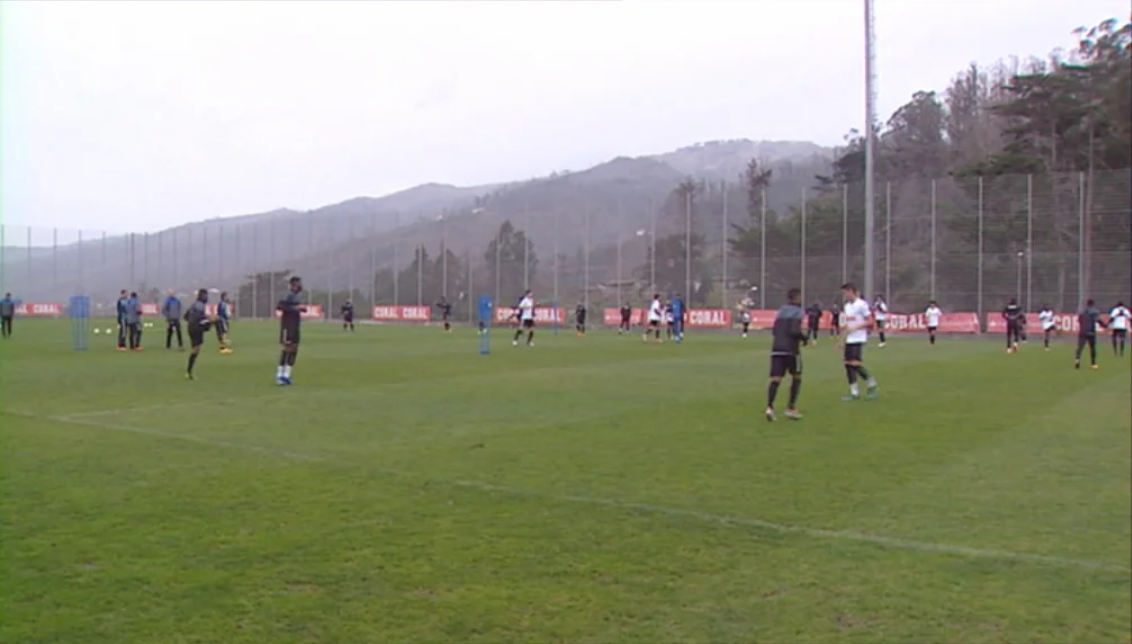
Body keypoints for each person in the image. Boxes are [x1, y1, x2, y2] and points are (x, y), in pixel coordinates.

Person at [766, 287, 807, 422]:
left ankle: (770, 408)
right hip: (791, 350)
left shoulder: (781, 311)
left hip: (777, 348)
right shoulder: (798, 311)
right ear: (797, 298)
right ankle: (791, 408)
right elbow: (794, 331)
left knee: (776, 379)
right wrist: (804, 338)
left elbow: (774, 330)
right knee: (797, 376)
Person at [840, 283, 878, 401]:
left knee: (855, 364)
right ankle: (854, 392)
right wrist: (842, 339)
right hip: (849, 338)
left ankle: (871, 383)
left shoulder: (861, 304)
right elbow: (848, 324)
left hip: (858, 338)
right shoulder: (847, 306)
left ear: (851, 291)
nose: (845, 295)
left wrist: (856, 327)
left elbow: (870, 321)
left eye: (845, 293)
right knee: (847, 365)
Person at [276, 276, 306, 385]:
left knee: (294, 349)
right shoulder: (288, 295)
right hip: (287, 326)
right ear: (294, 285)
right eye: (299, 283)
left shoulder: (296, 296)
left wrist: (302, 308)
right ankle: (280, 375)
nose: (300, 285)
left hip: (295, 326)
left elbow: (296, 308)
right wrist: (294, 308)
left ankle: (287, 375)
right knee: (286, 349)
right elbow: (280, 306)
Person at [184, 289, 214, 380]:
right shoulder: (200, 306)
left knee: (195, 348)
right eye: (206, 295)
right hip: (196, 328)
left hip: (191, 328)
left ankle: (189, 371)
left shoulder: (194, 304)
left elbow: (186, 316)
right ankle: (189, 371)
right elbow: (200, 319)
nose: (207, 297)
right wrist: (209, 321)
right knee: (195, 349)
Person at [1075, 299, 1107, 370]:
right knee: (1092, 348)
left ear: (1087, 304)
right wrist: (1104, 325)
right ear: (1093, 304)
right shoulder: (1095, 311)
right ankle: (1093, 363)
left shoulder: (1082, 311)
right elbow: (1098, 320)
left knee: (1080, 347)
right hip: (1091, 332)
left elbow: (1079, 320)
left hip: (1082, 331)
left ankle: (1077, 360)